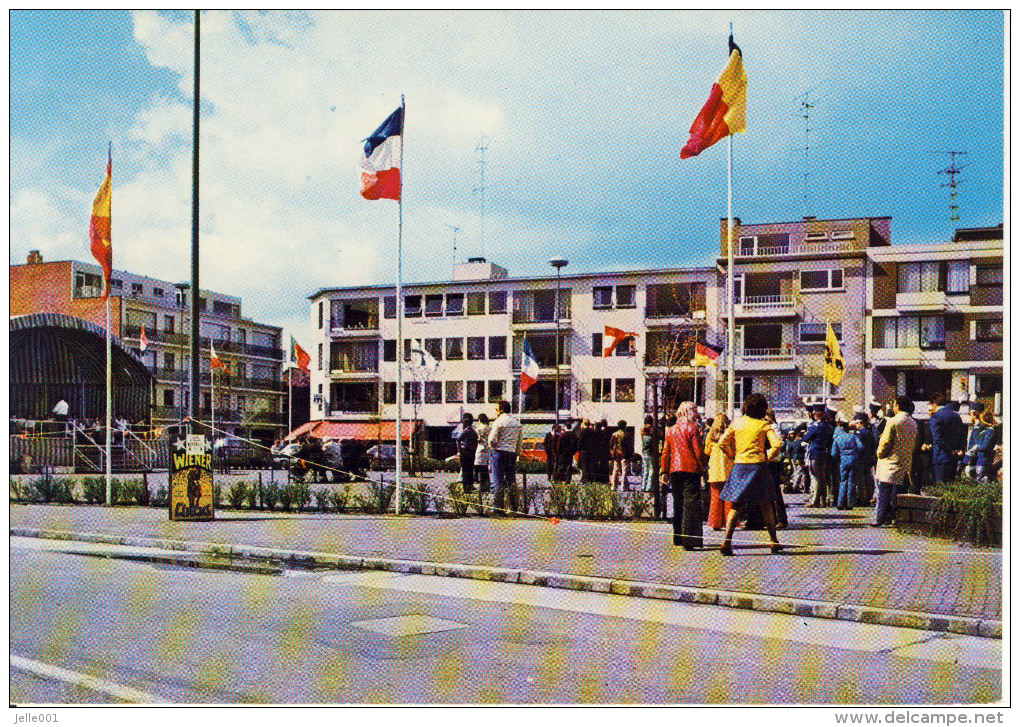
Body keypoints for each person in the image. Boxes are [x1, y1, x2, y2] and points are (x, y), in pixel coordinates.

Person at [717, 393, 784, 555]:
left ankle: (727, 539)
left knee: (737, 505)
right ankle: (773, 541)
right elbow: (777, 444)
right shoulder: (763, 425)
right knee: (766, 505)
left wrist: (733, 455)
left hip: (740, 466)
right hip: (759, 467)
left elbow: (722, 442)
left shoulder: (736, 423)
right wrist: (766, 456)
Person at [659, 402, 704, 549]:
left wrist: (664, 471)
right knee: (691, 503)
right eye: (695, 411)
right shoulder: (693, 428)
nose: (697, 414)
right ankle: (689, 540)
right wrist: (703, 468)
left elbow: (666, 452)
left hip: (674, 469)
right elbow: (698, 451)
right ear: (690, 412)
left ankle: (677, 537)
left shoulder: (671, 430)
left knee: (678, 502)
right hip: (691, 468)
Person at [873, 395, 918, 527]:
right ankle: (896, 518)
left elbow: (886, 442)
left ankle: (881, 518)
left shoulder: (892, 421)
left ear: (898, 406)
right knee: (899, 493)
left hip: (889, 462)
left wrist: (879, 453)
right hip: (904, 461)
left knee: (884, 491)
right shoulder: (913, 423)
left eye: (894, 405)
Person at [488, 400, 523, 513]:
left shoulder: (498, 422)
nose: (496, 412)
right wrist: (516, 453)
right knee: (511, 480)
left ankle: (498, 508)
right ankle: (514, 506)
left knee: (498, 481)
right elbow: (519, 442)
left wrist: (493, 445)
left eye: (497, 409)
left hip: (499, 452)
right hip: (511, 453)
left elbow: (492, 439)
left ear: (501, 410)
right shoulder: (517, 423)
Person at [704, 413, 733, 530]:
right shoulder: (729, 434)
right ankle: (729, 522)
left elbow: (707, 451)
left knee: (715, 497)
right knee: (729, 498)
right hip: (728, 468)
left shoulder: (710, 437)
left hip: (715, 469)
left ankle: (715, 522)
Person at [802, 403, 835, 508]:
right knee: (822, 478)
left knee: (815, 478)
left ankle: (815, 500)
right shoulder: (828, 427)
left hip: (815, 453)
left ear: (816, 413)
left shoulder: (815, 426)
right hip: (823, 453)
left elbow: (806, 438)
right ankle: (824, 500)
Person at [929, 393, 967, 483]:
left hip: (941, 457)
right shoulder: (956, 416)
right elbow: (962, 435)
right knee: (950, 486)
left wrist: (949, 450)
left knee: (940, 486)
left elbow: (937, 438)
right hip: (954, 458)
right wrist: (959, 450)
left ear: (934, 404)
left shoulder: (936, 416)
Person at [831, 417, 861, 511]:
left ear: (841, 427)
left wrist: (839, 458)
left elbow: (833, 453)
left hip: (843, 461)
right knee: (851, 481)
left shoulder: (837, 438)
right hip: (853, 460)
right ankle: (849, 503)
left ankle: (840, 503)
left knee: (843, 481)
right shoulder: (853, 437)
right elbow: (861, 447)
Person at [853, 412, 877, 506]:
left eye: (857, 423)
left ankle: (861, 498)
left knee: (860, 479)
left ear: (861, 423)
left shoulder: (860, 433)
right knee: (868, 479)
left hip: (860, 458)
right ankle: (868, 497)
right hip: (868, 459)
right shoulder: (869, 432)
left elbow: (859, 446)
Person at [452, 413, 478, 493]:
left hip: (466, 452)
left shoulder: (466, 431)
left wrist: (459, 450)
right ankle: (469, 486)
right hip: (472, 452)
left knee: (465, 470)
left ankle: (466, 488)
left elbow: (458, 439)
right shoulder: (473, 431)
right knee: (470, 470)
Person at [971, 410, 997, 482]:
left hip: (984, 459)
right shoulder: (987, 430)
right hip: (981, 459)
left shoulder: (990, 431)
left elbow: (984, 446)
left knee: (981, 479)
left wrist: (976, 447)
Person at [640, 416, 659, 494]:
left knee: (645, 470)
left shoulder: (643, 435)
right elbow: (654, 444)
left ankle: (643, 486)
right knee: (651, 470)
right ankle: (649, 487)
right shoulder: (651, 437)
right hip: (650, 453)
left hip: (644, 453)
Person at [473, 413, 492, 492]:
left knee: (479, 467)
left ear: (479, 419)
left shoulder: (478, 428)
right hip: (488, 449)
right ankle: (487, 485)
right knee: (486, 469)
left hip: (480, 448)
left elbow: (477, 439)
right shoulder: (489, 428)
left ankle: (481, 485)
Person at [610, 421, 629, 490]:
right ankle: (624, 486)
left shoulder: (614, 434)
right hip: (624, 454)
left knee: (615, 470)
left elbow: (611, 445)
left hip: (616, 454)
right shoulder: (626, 434)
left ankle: (614, 486)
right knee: (624, 471)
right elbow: (628, 446)